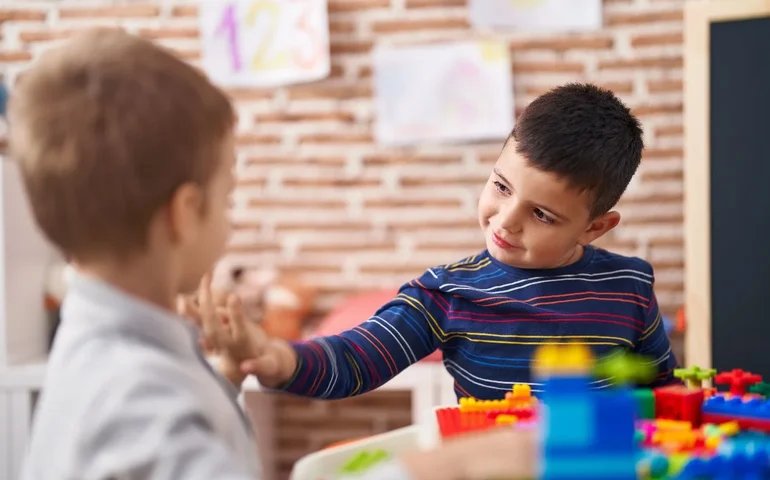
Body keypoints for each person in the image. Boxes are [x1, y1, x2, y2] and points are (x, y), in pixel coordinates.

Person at [11, 29, 538, 480]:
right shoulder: (142, 399)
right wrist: (443, 467)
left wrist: (219, 379)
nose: (230, 214)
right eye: (228, 196)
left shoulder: (109, 351)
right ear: (185, 213)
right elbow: (157, 423)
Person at [228, 83, 680, 399]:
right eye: (501, 187)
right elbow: (355, 360)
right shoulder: (446, 293)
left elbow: (662, 389)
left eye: (542, 214)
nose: (506, 221)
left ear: (594, 227)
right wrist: (279, 360)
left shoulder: (629, 286)